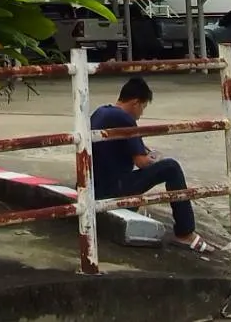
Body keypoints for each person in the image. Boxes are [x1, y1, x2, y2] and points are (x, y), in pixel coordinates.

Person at [90, 77, 216, 255]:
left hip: (94, 186)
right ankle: (185, 232)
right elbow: (141, 162)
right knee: (171, 167)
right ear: (135, 103)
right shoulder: (125, 119)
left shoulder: (100, 112)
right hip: (113, 188)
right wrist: (154, 159)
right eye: (143, 107)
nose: (141, 114)